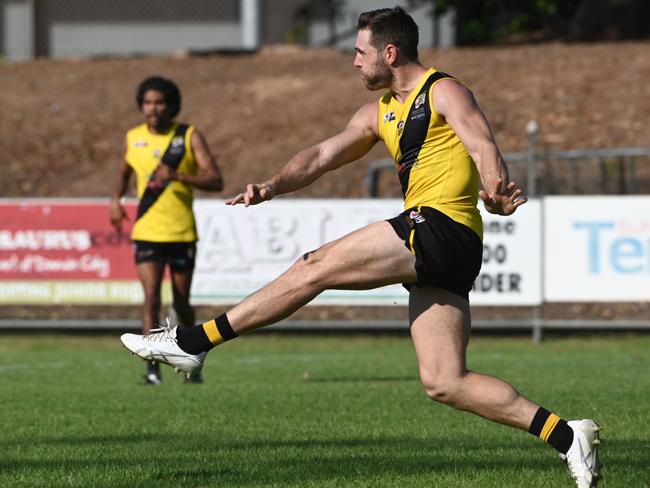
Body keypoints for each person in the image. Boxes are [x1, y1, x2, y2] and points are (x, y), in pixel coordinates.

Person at [120, 8, 601, 486]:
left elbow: (481, 143)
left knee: (314, 267)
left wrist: (496, 189)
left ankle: (194, 343)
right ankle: (566, 435)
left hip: (440, 225)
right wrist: (271, 186)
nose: (354, 62)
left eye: (359, 52)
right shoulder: (378, 112)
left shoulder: (443, 90)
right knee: (444, 381)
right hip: (446, 247)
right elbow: (323, 155)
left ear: (389, 53)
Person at [111, 76, 223, 385]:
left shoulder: (187, 137)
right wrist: (115, 201)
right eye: (148, 103)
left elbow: (215, 180)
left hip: (180, 232)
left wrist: (178, 176)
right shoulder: (132, 137)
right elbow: (123, 173)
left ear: (171, 105)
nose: (153, 108)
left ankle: (194, 353)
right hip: (147, 230)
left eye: (159, 102)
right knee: (150, 299)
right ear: (141, 106)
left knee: (181, 303)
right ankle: (152, 370)